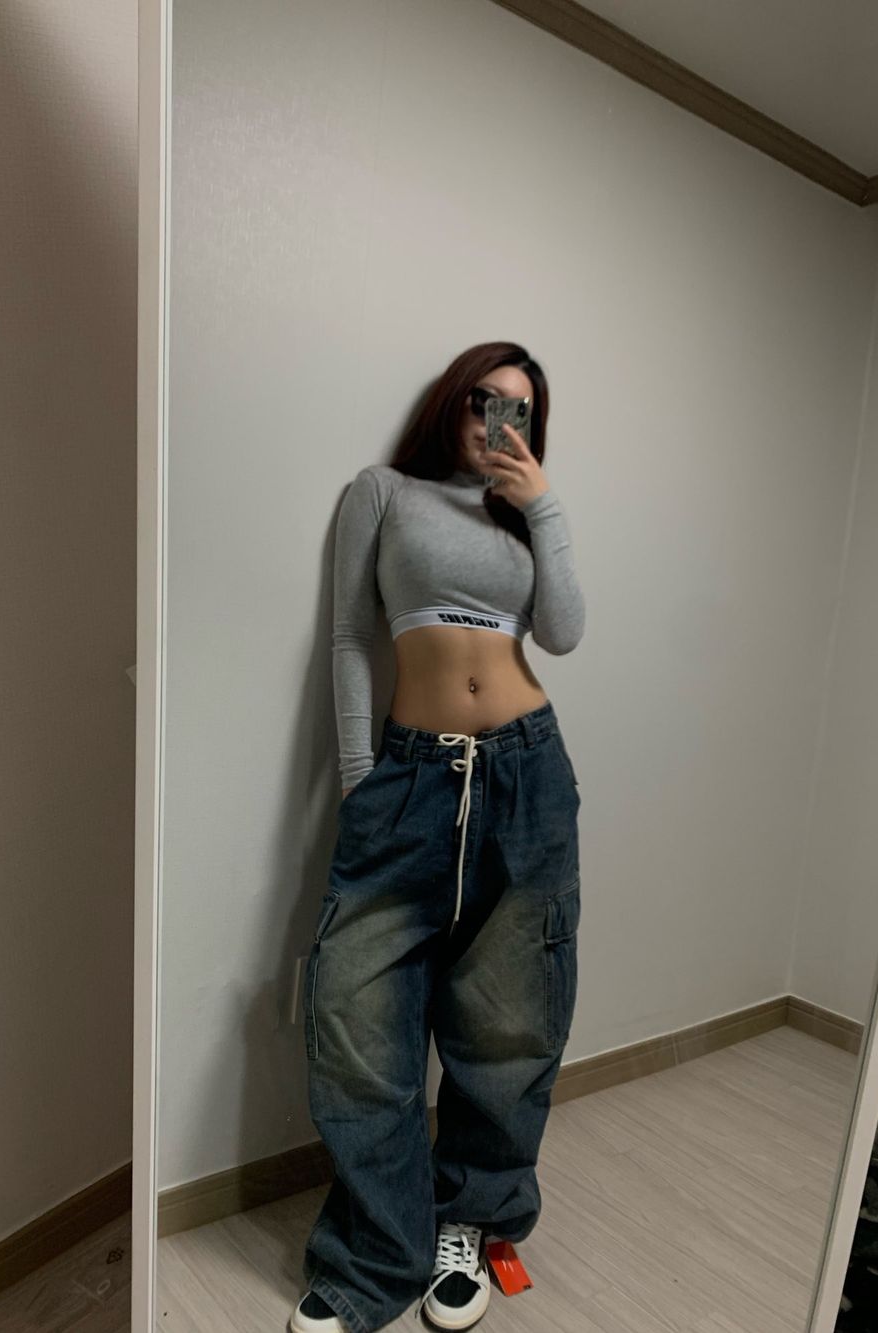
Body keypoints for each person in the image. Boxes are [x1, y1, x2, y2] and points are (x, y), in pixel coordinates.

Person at [290, 341, 585, 1333]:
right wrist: (363, 781)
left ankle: (468, 1219)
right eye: (485, 399)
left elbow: (564, 633)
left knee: (509, 1019)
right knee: (356, 1022)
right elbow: (348, 637)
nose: (499, 421)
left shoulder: (522, 517)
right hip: (410, 778)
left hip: (526, 774)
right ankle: (379, 1254)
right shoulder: (384, 493)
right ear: (452, 400)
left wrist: (543, 507)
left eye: (521, 411)